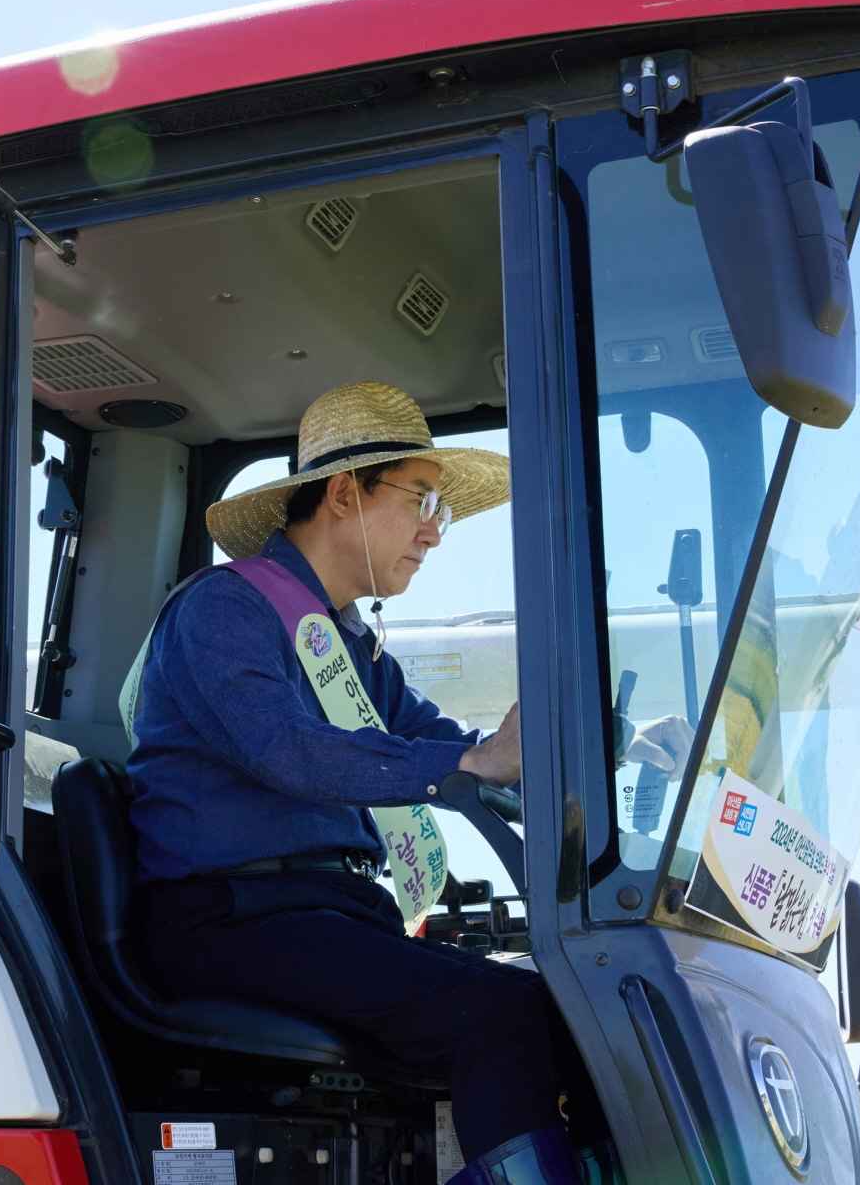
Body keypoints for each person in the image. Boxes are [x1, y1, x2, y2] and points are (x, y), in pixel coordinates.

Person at [123, 381, 690, 1185]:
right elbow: (285, 748)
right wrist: (469, 763)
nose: (434, 533)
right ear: (344, 492)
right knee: (501, 1013)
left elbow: (464, 747)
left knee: (581, 1017)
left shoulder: (354, 651)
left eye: (441, 512)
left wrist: (618, 750)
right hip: (232, 918)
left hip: (326, 919)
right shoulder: (225, 609)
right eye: (422, 500)